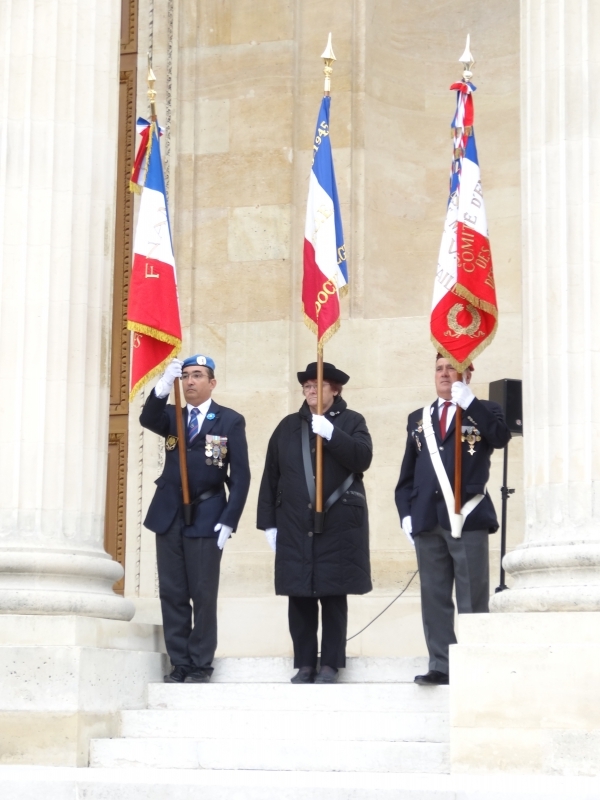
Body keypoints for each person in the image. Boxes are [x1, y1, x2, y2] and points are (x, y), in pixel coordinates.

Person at [395, 354, 511, 686]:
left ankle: (475, 660)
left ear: (467, 373)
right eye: (439, 369)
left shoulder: (486, 410)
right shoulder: (418, 418)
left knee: (472, 596)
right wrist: (406, 513)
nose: (445, 374)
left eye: (451, 368)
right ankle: (441, 664)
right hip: (427, 519)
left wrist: (471, 403)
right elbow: (407, 475)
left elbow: (500, 438)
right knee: (434, 596)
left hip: (468, 515)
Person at [257, 362, 373, 685]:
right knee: (300, 594)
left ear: (334, 389)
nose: (310, 390)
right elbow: (271, 476)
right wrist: (269, 523)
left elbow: (363, 457)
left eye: (317, 385)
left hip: (338, 523)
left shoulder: (352, 422)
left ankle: (330, 663)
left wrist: (333, 434)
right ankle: (305, 662)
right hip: (294, 522)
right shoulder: (287, 427)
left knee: (333, 594)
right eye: (306, 386)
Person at [140, 354, 250, 684]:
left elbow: (241, 475)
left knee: (202, 593)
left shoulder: (229, 420)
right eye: (185, 375)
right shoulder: (173, 414)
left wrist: (230, 519)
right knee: (173, 592)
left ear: (211, 383)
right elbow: (147, 418)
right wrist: (161, 387)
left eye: (197, 375)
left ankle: (201, 663)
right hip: (170, 514)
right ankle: (181, 663)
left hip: (208, 514)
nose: (189, 381)